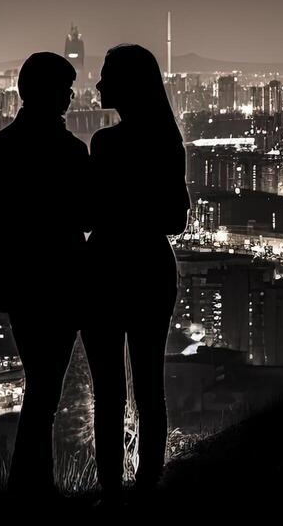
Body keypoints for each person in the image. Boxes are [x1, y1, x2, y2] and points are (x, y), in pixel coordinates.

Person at [0, 51, 89, 497]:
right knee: (45, 391)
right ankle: (31, 490)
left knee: (42, 387)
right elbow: (88, 214)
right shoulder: (69, 151)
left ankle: (30, 487)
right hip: (63, 284)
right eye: (65, 91)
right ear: (51, 95)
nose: (70, 99)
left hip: (22, 287)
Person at [81, 43, 189, 499]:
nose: (100, 83)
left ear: (127, 84)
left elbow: (87, 215)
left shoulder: (104, 144)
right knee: (149, 386)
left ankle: (110, 489)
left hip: (105, 269)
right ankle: (148, 486)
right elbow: (176, 219)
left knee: (108, 392)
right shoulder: (168, 140)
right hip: (150, 269)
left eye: (107, 75)